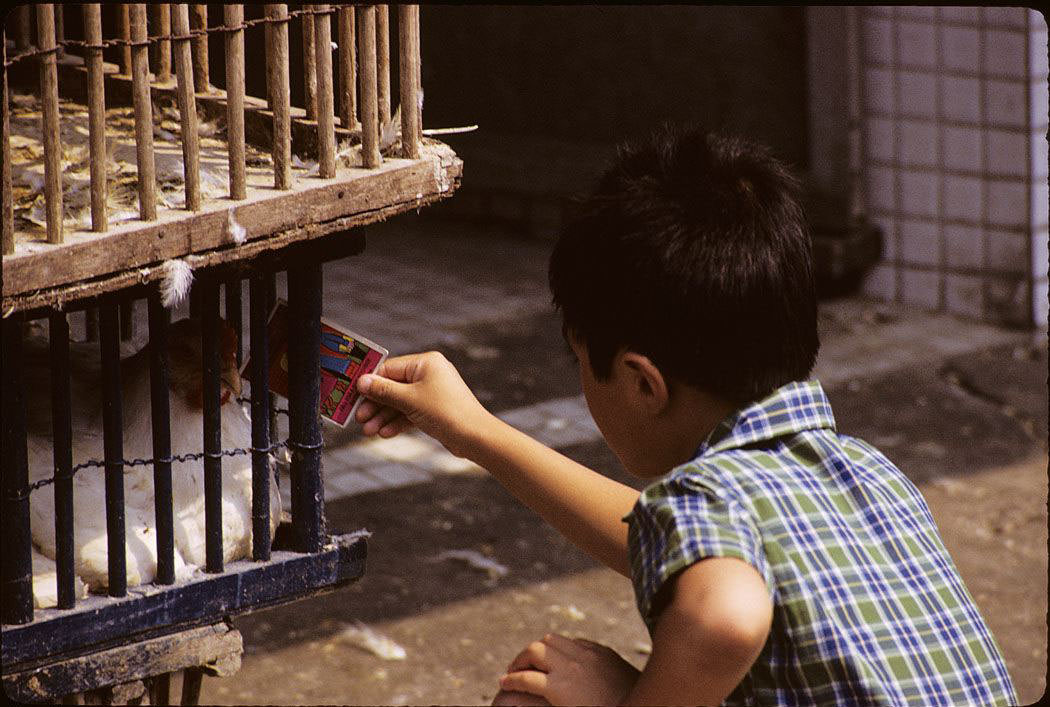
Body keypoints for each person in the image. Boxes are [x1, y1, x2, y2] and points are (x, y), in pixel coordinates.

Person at [353, 126, 1017, 706]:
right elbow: (655, 539)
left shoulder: (706, 501)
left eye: (581, 361)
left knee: (538, 693)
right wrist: (473, 430)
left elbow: (725, 616)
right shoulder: (866, 475)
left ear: (644, 383)